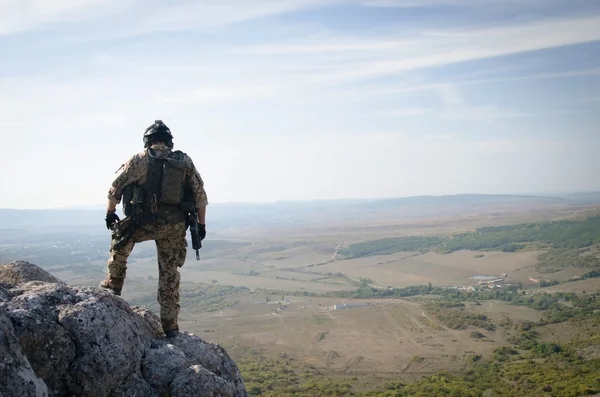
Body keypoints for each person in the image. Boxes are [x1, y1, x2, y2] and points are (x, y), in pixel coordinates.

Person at [99, 120, 208, 338]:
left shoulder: (139, 160)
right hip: (173, 226)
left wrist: (110, 213)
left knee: (119, 245)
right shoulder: (183, 161)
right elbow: (200, 198)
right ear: (169, 141)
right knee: (169, 275)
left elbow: (114, 190)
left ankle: (113, 286)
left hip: (142, 222)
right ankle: (170, 326)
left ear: (148, 140)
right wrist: (202, 225)